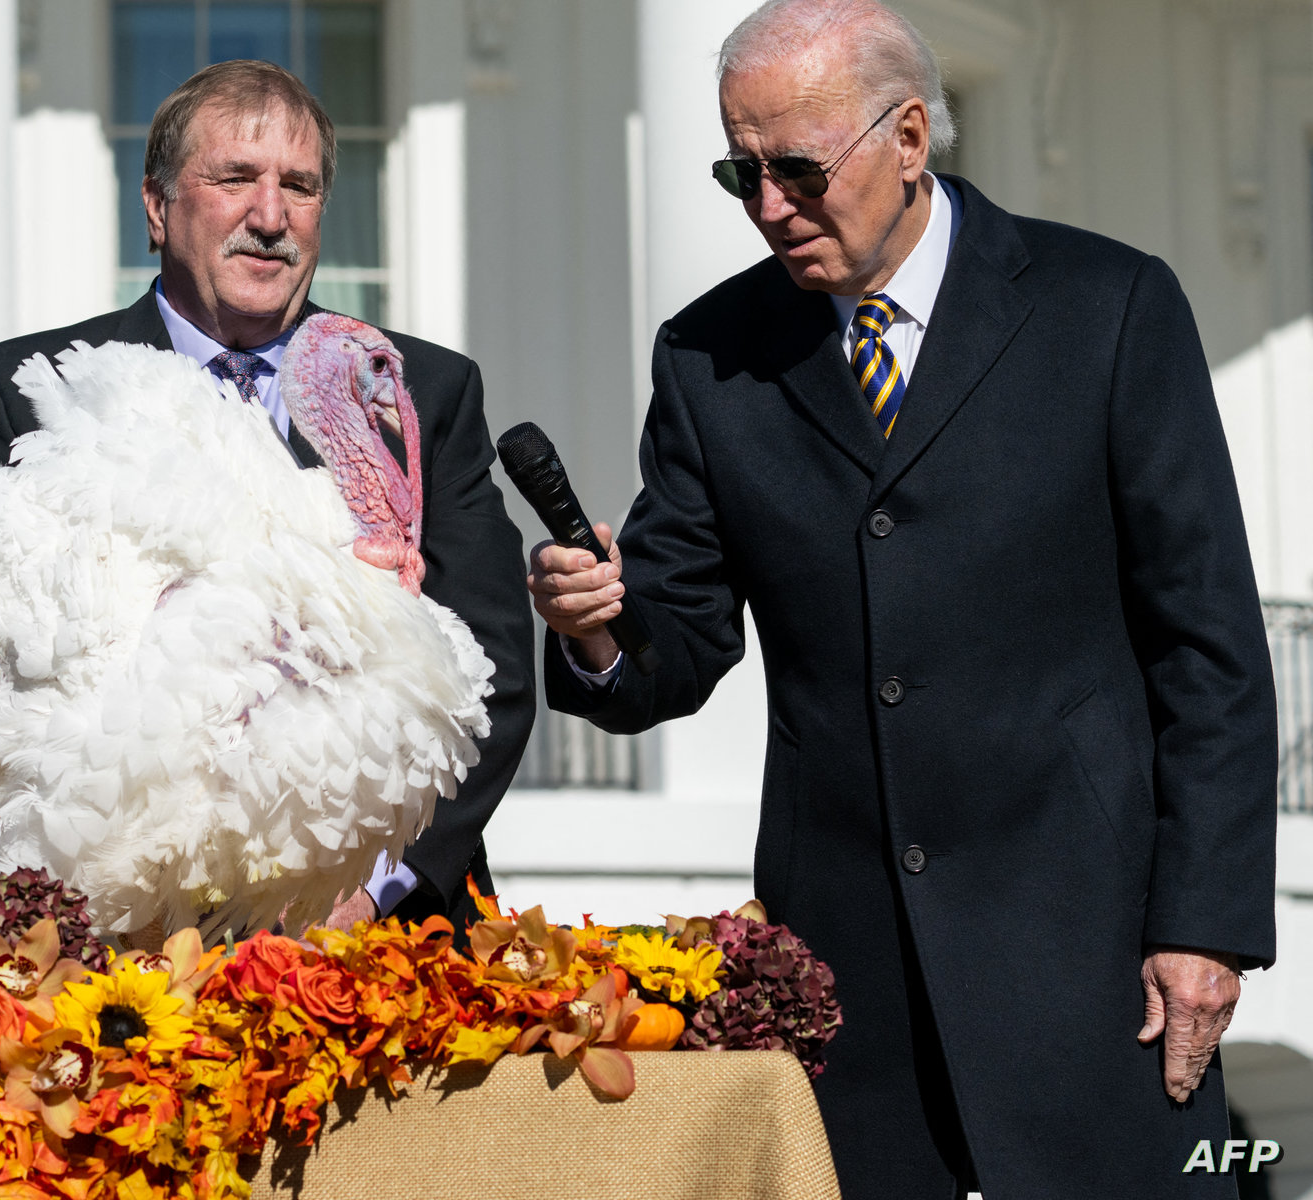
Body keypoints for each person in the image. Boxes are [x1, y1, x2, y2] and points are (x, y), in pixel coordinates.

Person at [527, 2, 1275, 1196]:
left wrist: (1202, 925)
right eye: (740, 172)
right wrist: (598, 627)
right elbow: (673, 645)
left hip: (1091, 956)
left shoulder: (1109, 306)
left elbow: (1211, 646)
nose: (769, 206)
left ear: (912, 137)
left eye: (798, 169)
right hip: (843, 979)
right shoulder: (709, 354)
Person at [0, 60, 535, 932]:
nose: (270, 218)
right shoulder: (30, 390)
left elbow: (492, 669)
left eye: (298, 188)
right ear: (155, 207)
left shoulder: (417, 391)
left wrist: (372, 891)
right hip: (111, 922)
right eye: (234, 180)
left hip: (366, 927)